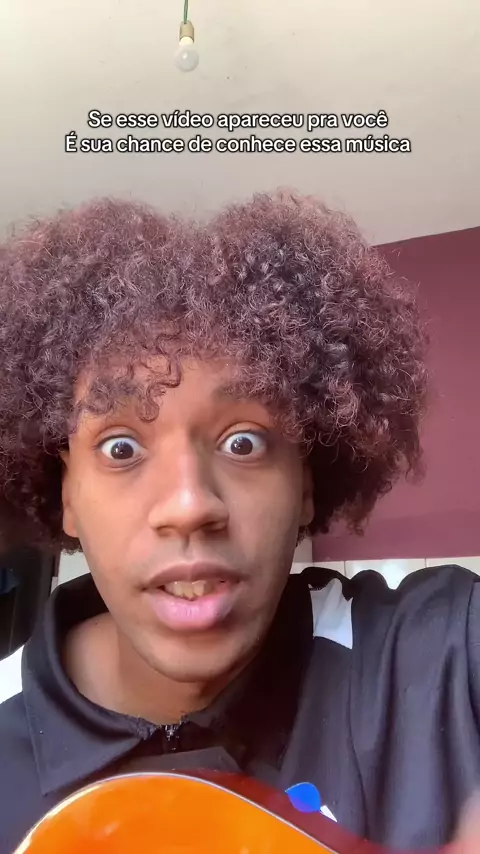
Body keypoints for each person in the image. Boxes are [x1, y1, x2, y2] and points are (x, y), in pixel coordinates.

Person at [0, 190, 477, 853]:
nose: (189, 504)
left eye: (244, 441)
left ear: (306, 484)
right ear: (67, 497)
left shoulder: (440, 658)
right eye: (121, 448)